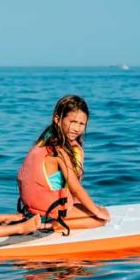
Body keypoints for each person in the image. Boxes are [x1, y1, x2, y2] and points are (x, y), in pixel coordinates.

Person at [17, 95, 110, 231]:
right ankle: (53, 225)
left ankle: (50, 221)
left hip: (33, 209)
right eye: (73, 122)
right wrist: (97, 211)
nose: (77, 128)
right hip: (49, 212)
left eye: (81, 124)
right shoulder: (59, 151)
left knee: (93, 209)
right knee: (101, 218)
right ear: (57, 119)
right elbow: (75, 188)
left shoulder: (43, 142)